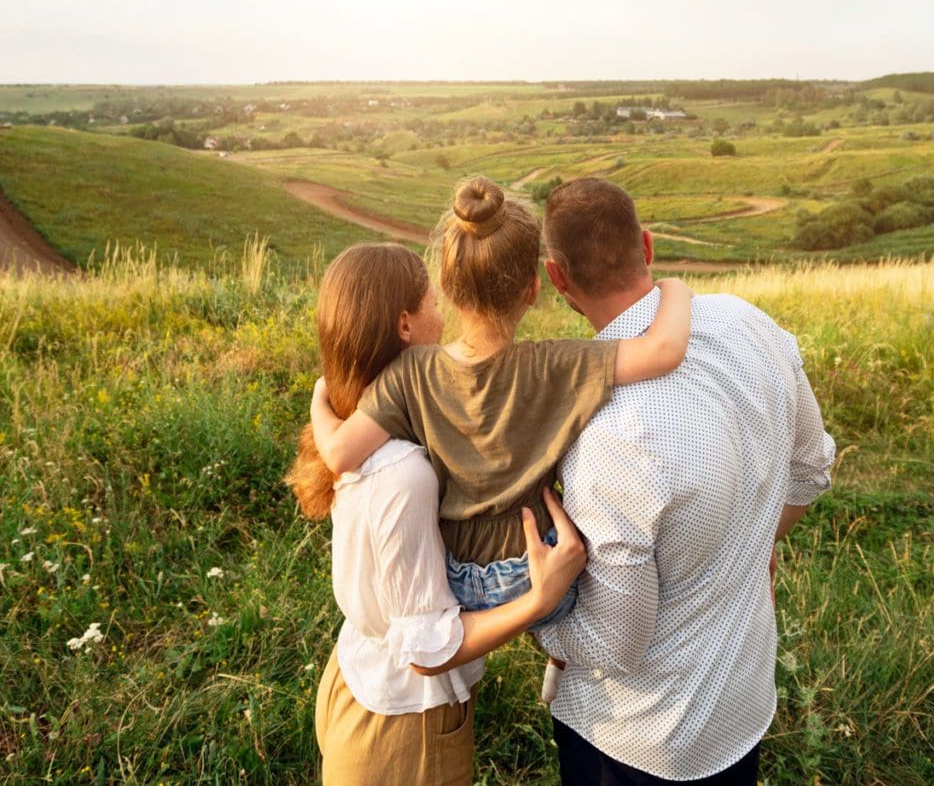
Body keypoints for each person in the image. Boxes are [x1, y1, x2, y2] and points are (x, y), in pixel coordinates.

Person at [533, 178, 836, 785]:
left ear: (556, 278)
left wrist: (539, 616)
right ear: (645, 245)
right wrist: (748, 546)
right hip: (742, 702)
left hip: (638, 738)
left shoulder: (604, 432)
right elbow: (812, 466)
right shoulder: (749, 323)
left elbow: (613, 647)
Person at [309, 177, 693, 629]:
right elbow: (665, 351)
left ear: (447, 290)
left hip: (454, 580)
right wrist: (676, 289)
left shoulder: (410, 372)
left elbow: (337, 453)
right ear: (533, 290)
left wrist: (320, 396)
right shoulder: (555, 363)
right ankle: (565, 664)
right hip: (533, 574)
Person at [287, 243, 586, 785]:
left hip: (356, 676)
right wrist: (540, 598)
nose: (443, 315)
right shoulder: (404, 472)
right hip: (404, 723)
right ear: (405, 325)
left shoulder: (353, 420)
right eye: (431, 302)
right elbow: (428, 649)